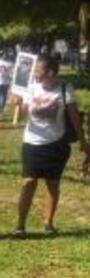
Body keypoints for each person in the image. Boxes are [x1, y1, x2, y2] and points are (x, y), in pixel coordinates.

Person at [15, 55, 90, 236]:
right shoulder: (30, 88)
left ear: (49, 72)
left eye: (37, 70)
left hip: (56, 144)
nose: (34, 73)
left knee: (53, 183)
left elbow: (74, 119)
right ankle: (20, 225)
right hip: (32, 143)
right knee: (29, 182)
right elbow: (22, 117)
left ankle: (48, 224)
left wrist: (84, 143)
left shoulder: (64, 89)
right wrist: (19, 105)